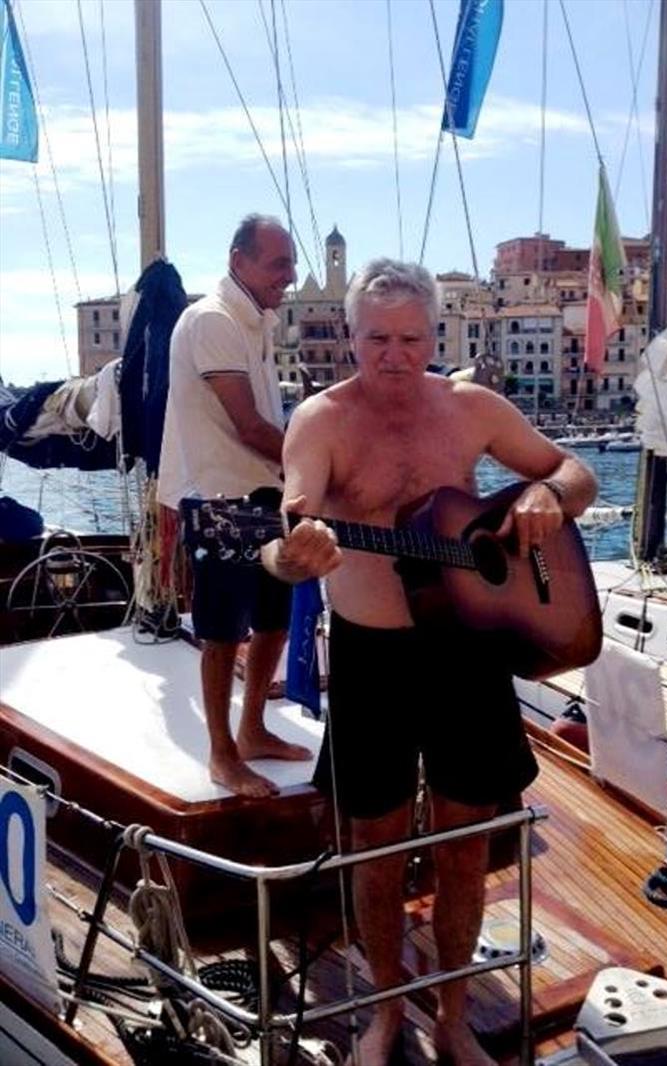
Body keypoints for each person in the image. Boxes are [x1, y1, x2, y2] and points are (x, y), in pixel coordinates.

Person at [263, 259, 597, 1066]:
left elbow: (572, 471)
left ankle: (451, 1013)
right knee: (372, 846)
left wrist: (547, 497)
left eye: (412, 338)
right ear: (352, 336)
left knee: (464, 843)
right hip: (372, 656)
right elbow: (287, 533)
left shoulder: (472, 407)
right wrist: (291, 559)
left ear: (433, 336)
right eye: (377, 337)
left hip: (467, 654)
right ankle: (382, 1010)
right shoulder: (321, 420)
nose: (395, 355)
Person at [158, 214, 311, 799]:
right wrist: (318, 465)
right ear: (238, 259)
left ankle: (252, 732)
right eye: (279, 264)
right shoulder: (215, 321)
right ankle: (222, 755)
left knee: (273, 618)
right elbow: (248, 425)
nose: (290, 276)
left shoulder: (255, 320)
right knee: (222, 632)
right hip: (218, 497)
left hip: (260, 493)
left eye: (291, 264)